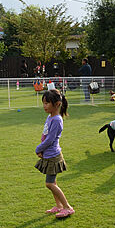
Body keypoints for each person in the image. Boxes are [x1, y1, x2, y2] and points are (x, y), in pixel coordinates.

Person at [35, 89, 74, 218]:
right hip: (48, 154)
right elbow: (45, 133)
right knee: (53, 183)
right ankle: (59, 206)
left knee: (49, 184)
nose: (44, 106)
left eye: (47, 103)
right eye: (44, 103)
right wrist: (42, 149)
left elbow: (51, 139)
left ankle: (68, 207)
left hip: (53, 156)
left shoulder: (57, 120)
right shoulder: (50, 117)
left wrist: (38, 148)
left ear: (57, 104)